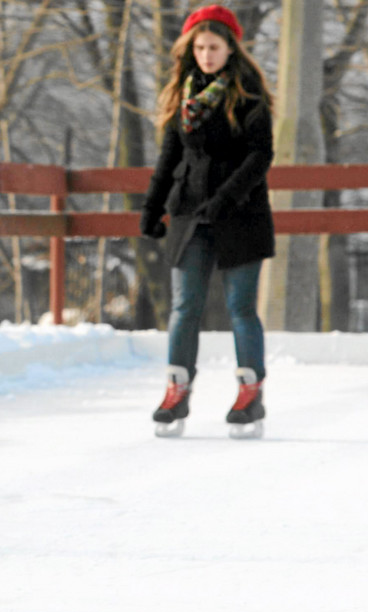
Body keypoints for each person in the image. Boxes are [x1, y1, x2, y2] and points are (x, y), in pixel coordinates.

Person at [139, 5, 275, 439]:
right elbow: (169, 157)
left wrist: (225, 198)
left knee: (240, 308)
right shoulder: (184, 94)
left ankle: (249, 394)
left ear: (230, 47)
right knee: (185, 307)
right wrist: (152, 206)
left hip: (240, 214)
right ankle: (177, 390)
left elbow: (260, 155)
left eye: (214, 47)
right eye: (199, 46)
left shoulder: (248, 93)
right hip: (189, 213)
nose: (206, 54)